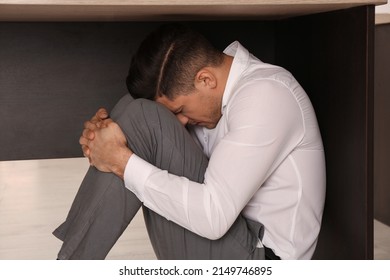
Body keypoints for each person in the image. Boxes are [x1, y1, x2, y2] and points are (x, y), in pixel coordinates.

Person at [53, 23, 326, 260]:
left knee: (142, 119)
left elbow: (213, 217)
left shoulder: (267, 94)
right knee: (133, 108)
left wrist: (121, 161)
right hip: (233, 236)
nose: (181, 122)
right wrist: (104, 138)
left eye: (180, 111)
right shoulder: (220, 93)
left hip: (263, 259)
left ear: (205, 79)